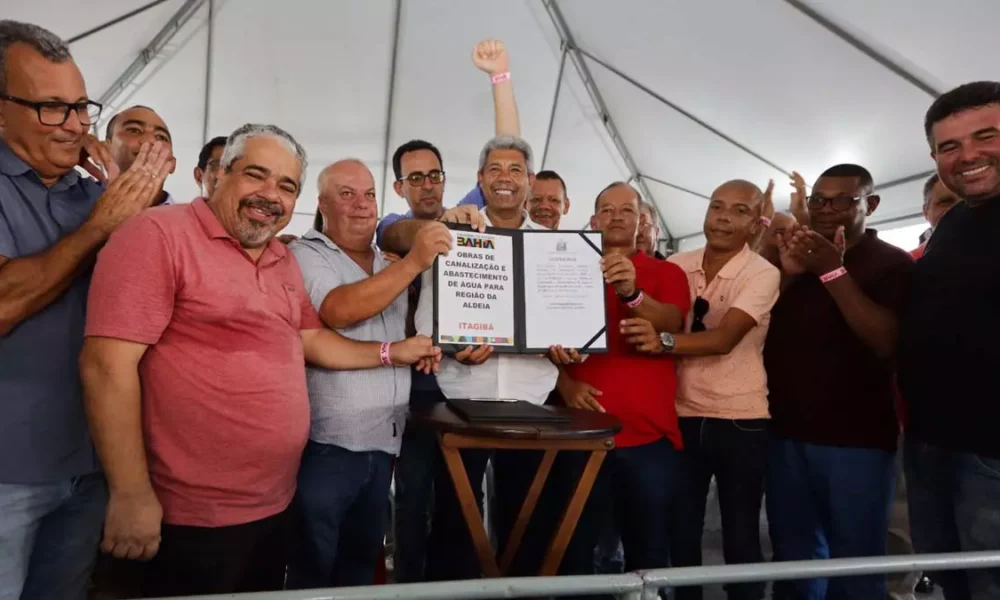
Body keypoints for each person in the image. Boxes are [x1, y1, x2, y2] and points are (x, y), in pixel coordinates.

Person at [78, 124, 440, 597]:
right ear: (222, 173)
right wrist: (130, 494)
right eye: (256, 175)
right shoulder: (156, 235)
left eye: (286, 185)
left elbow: (313, 340)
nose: (270, 195)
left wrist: (394, 353)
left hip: (273, 505)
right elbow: (106, 366)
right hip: (186, 513)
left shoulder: (278, 257)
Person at [0, 20, 169, 600]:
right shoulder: (100, 209)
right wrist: (103, 226)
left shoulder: (95, 191)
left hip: (91, 466)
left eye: (80, 106)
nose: (74, 124)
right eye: (51, 108)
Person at [381, 38, 524, 584]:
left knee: (462, 504)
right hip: (411, 386)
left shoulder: (471, 210)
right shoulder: (390, 223)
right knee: (412, 501)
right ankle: (411, 590)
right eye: (415, 177)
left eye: (435, 175)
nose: (426, 184)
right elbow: (403, 234)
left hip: (461, 380)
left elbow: (506, 151)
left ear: (447, 178)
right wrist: (447, 227)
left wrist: (500, 77)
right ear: (400, 185)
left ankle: (459, 587)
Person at [286, 159, 451, 588]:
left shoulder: (387, 262)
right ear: (321, 204)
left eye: (369, 195)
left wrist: (425, 349)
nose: (361, 206)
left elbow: (405, 328)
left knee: (360, 567)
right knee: (313, 565)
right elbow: (339, 309)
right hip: (328, 445)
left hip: (383, 442)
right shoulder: (303, 255)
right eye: (346, 194)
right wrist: (414, 263)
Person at [764, 164, 914, 600]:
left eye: (841, 201)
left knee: (856, 561)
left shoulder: (891, 263)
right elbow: (754, 325)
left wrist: (832, 271)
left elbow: (886, 342)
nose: (825, 210)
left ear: (871, 204)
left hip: (856, 440)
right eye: (817, 200)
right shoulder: (796, 255)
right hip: (786, 432)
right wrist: (790, 271)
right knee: (793, 558)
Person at [555, 181, 690, 578]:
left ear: (641, 220)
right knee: (575, 550)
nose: (616, 217)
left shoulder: (667, 272)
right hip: (580, 436)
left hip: (650, 439)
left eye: (626, 210)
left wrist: (631, 294)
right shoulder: (568, 268)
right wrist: (564, 384)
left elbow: (673, 323)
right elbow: (542, 339)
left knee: (648, 554)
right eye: (607, 210)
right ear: (594, 219)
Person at [898, 80, 1000, 600]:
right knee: (951, 581)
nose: (968, 156)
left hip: (990, 455)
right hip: (932, 443)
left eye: (987, 136)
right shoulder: (957, 220)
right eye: (949, 146)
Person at [664, 180, 780, 600]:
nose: (724, 218)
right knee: (681, 527)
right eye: (717, 207)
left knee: (741, 532)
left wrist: (659, 342)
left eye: (740, 210)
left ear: (755, 223)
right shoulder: (677, 263)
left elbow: (724, 338)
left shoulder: (763, 273)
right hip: (680, 413)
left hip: (740, 419)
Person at [105, 104, 176, 205]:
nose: (150, 140)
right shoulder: (78, 200)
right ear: (106, 148)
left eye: (161, 137)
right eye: (134, 130)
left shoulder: (189, 219)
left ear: (172, 164)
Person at [910, 173, 959, 259]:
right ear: (926, 212)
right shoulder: (908, 264)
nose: (959, 208)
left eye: (968, 201)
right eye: (945, 202)